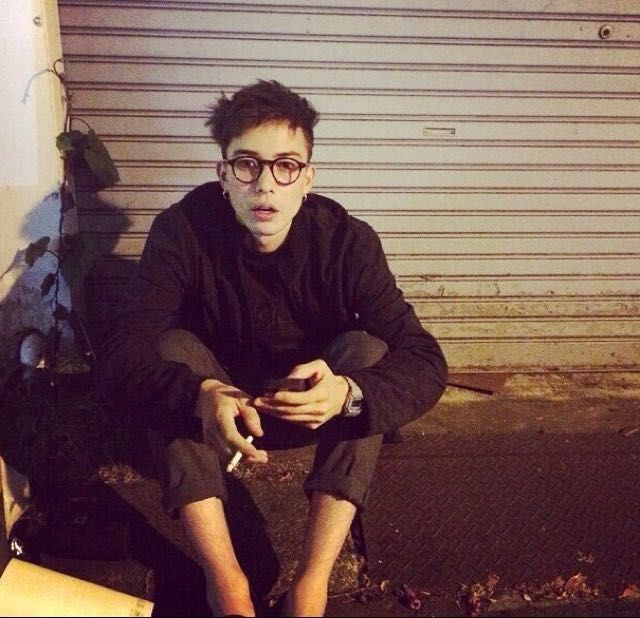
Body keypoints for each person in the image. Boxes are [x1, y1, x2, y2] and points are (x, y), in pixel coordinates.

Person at [98, 80, 448, 617]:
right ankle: (227, 583)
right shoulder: (182, 230)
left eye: (285, 166)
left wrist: (348, 395)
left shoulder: (348, 242)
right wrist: (199, 394)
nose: (265, 185)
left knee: (368, 352)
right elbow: (123, 350)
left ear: (307, 178)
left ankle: (312, 584)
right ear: (223, 174)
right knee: (170, 350)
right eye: (247, 165)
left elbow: (424, 358)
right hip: (221, 410)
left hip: (310, 406)